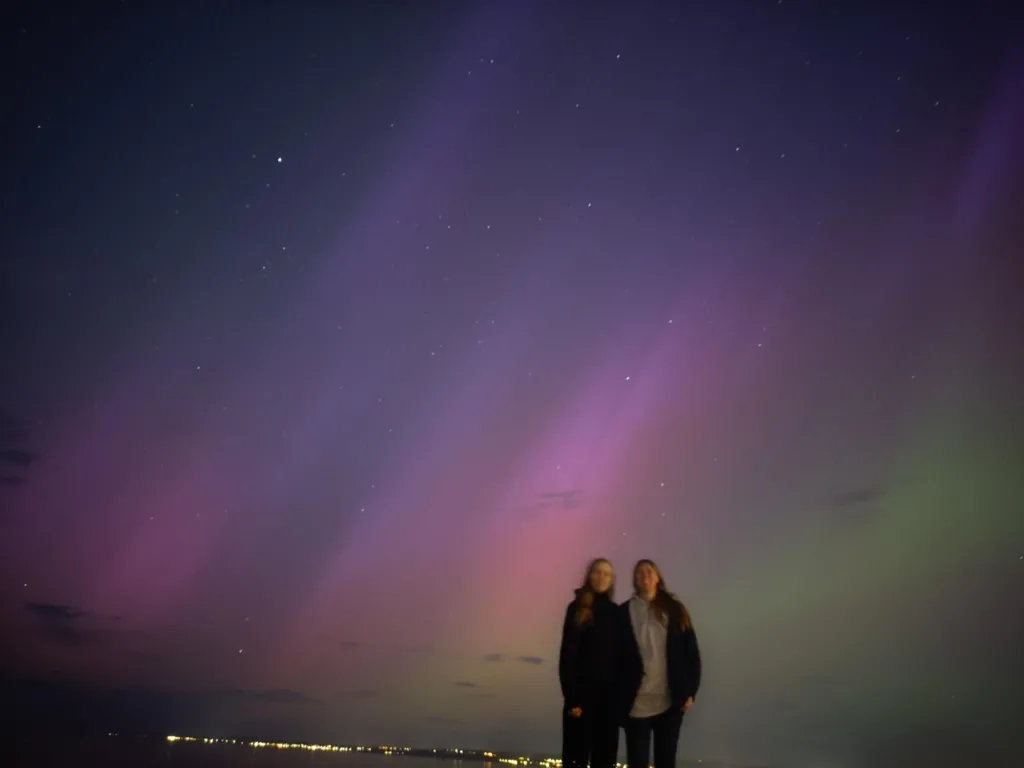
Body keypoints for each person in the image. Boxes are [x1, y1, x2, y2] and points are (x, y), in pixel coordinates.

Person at [617, 559, 702, 768]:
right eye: (639, 572)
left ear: (657, 577)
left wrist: (691, 691)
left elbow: (692, 653)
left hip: (670, 701)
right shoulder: (623, 612)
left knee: (666, 761)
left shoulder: (674, 609)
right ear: (635, 580)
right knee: (637, 762)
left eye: (649, 571)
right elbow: (615, 657)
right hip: (636, 703)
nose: (644, 575)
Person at [558, 558, 620, 768]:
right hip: (580, 701)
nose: (601, 577)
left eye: (606, 574)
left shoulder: (617, 613)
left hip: (608, 703)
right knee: (576, 758)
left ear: (612, 580)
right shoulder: (576, 608)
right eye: (597, 572)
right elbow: (568, 655)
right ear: (589, 576)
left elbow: (621, 658)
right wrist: (572, 698)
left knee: (605, 759)